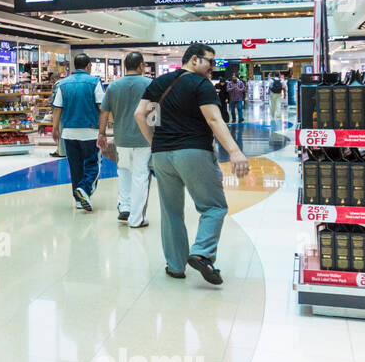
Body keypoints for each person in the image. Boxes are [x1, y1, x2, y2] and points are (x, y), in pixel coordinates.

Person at [133, 43, 251, 286]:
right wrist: (235, 151)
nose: (212, 69)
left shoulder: (159, 84)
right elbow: (213, 119)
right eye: (210, 62)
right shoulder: (200, 85)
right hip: (194, 152)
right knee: (214, 207)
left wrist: (155, 143)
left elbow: (141, 114)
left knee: (171, 211)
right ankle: (201, 253)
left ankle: (175, 266)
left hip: (162, 156)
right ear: (195, 59)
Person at [97, 52, 152, 228]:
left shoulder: (113, 86)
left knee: (124, 172)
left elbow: (104, 111)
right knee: (141, 175)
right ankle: (137, 218)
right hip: (144, 138)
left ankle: (125, 206)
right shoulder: (150, 84)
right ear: (141, 66)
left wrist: (101, 133)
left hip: (121, 138)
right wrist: (157, 135)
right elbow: (154, 112)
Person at [52, 52, 105, 211]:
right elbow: (102, 107)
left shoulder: (63, 84)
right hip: (90, 131)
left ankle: (79, 199)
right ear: (89, 66)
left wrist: (55, 128)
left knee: (75, 166)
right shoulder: (94, 82)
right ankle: (85, 189)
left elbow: (57, 108)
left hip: (68, 132)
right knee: (92, 164)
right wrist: (102, 131)